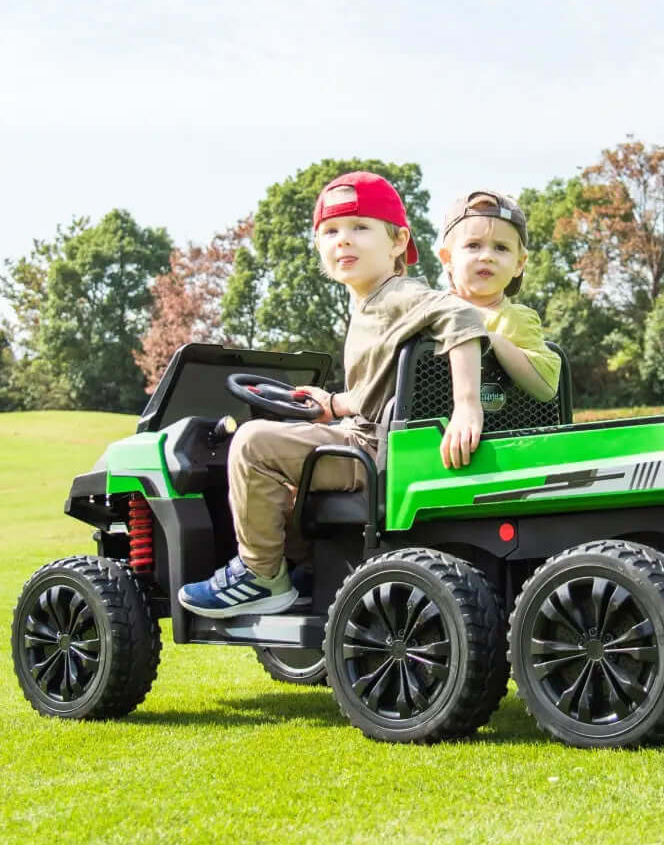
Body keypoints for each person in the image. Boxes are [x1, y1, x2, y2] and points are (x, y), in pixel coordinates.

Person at [178, 171, 488, 617]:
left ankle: (260, 574)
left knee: (251, 443)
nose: (344, 241)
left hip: (374, 450)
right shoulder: (371, 303)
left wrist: (467, 407)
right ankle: (307, 570)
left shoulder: (397, 294)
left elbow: (460, 314)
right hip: (369, 437)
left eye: (360, 228)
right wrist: (332, 404)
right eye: (331, 232)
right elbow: (377, 392)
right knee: (281, 480)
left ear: (398, 242)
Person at [438, 190, 560, 402]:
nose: (487, 256)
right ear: (448, 258)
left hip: (502, 427)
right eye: (473, 245)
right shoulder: (430, 311)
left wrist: (493, 341)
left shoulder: (518, 320)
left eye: (501, 248)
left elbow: (547, 388)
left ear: (519, 264)